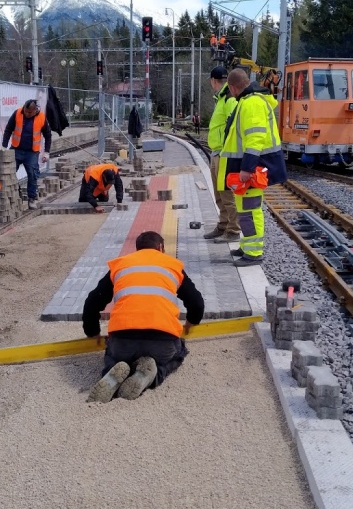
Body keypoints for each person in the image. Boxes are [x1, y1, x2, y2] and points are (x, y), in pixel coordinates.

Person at [82, 231, 204, 403]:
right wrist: (191, 323)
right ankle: (154, 375)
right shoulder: (173, 265)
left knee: (113, 354)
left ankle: (112, 369)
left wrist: (92, 332)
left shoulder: (121, 265)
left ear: (138, 249)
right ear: (160, 247)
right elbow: (197, 302)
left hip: (123, 340)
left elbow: (92, 302)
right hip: (162, 340)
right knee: (179, 351)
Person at [218, 68, 288, 267]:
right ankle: (247, 245)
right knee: (244, 209)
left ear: (232, 87)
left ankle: (254, 252)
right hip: (248, 166)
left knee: (250, 210)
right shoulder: (248, 102)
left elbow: (255, 139)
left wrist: (247, 169)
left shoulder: (252, 104)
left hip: (253, 168)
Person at [204, 66, 240, 243]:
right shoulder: (221, 98)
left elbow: (232, 127)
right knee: (219, 192)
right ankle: (223, 224)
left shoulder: (228, 99)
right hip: (217, 152)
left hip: (224, 154)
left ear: (213, 80)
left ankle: (233, 229)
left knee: (226, 192)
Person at [1, 99, 51, 209]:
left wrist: (46, 152)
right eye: (26, 111)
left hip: (32, 152)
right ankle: (16, 193)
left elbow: (48, 135)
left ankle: (31, 198)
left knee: (32, 175)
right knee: (9, 172)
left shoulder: (41, 117)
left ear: (35, 110)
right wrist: (4, 146)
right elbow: (8, 129)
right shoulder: (17, 113)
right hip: (16, 149)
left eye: (29, 112)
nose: (27, 114)